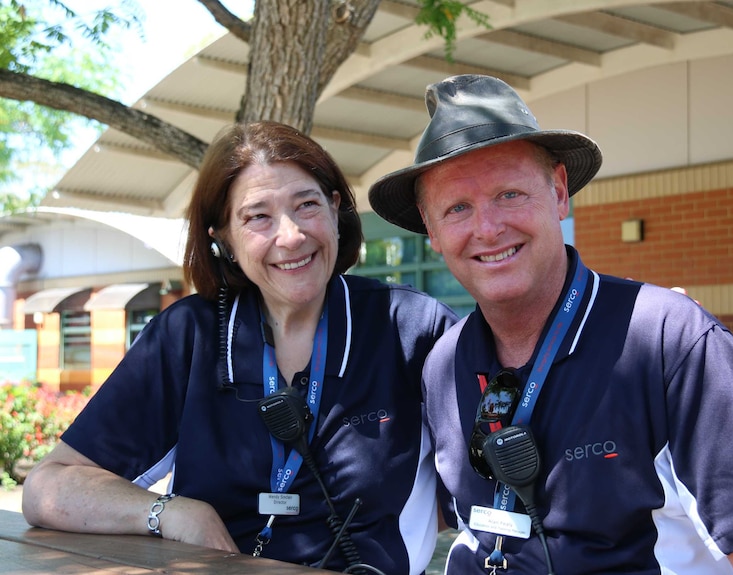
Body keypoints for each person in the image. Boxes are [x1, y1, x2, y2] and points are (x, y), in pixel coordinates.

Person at [368, 75, 733, 574]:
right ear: (431, 228)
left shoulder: (667, 338)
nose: (487, 228)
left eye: (509, 194)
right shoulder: (444, 364)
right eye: (457, 207)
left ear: (559, 191)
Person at [22, 121, 458, 574]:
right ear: (223, 236)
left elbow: (471, 498)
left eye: (306, 205)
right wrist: (174, 513)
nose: (290, 236)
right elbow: (49, 488)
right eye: (258, 217)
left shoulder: (412, 327)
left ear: (334, 209)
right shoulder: (189, 335)